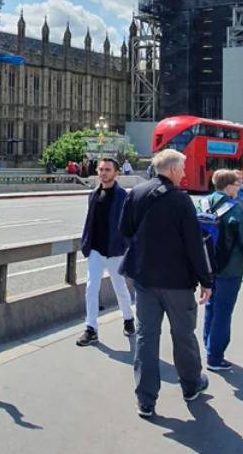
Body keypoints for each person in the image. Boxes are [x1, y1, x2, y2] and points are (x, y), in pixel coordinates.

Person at [118, 148, 212, 419]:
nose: (183, 173)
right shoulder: (181, 201)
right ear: (172, 170)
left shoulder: (135, 194)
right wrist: (205, 280)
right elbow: (194, 245)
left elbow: (125, 231)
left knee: (147, 337)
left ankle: (145, 400)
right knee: (182, 334)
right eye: (182, 169)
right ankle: (191, 386)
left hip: (145, 279)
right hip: (177, 282)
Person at [202, 170, 243, 372]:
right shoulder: (235, 210)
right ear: (228, 186)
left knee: (211, 307)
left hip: (207, 266)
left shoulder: (203, 203)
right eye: (238, 184)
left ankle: (208, 344)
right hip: (230, 267)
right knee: (223, 312)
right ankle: (215, 356)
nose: (240, 187)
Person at [76, 157, 135, 346]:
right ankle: (91, 328)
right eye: (101, 169)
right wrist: (85, 243)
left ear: (116, 173)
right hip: (95, 249)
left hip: (114, 250)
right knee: (91, 287)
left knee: (120, 287)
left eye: (107, 170)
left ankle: (128, 318)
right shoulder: (93, 194)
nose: (103, 173)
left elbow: (129, 224)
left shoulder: (123, 196)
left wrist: (124, 244)